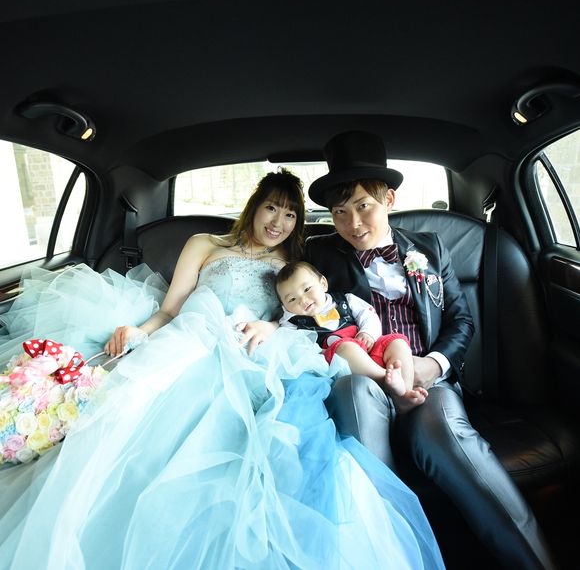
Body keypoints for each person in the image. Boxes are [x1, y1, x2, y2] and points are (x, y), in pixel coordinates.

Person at [0, 168, 445, 569]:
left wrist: (271, 325)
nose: (278, 222)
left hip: (253, 355)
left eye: (291, 215)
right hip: (190, 341)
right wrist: (138, 332)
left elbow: (301, 314)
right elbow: (171, 309)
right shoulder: (204, 244)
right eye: (272, 208)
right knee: (132, 418)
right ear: (254, 207)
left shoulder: (290, 265)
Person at [304, 130, 558, 570]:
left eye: (363, 206)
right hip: (361, 379)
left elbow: (461, 320)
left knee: (446, 432)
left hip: (428, 381)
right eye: (339, 212)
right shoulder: (319, 256)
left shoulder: (430, 248)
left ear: (389, 199)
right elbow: (301, 314)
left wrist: (433, 364)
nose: (353, 224)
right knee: (356, 397)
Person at [275, 260, 427, 412]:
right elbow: (295, 348)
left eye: (307, 289)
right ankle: (384, 379)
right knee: (346, 347)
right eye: (292, 299)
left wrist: (368, 333)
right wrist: (319, 354)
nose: (303, 300)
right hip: (342, 363)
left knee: (398, 342)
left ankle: (404, 393)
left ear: (323, 284)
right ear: (284, 306)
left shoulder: (346, 299)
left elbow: (368, 315)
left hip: (369, 347)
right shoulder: (291, 324)